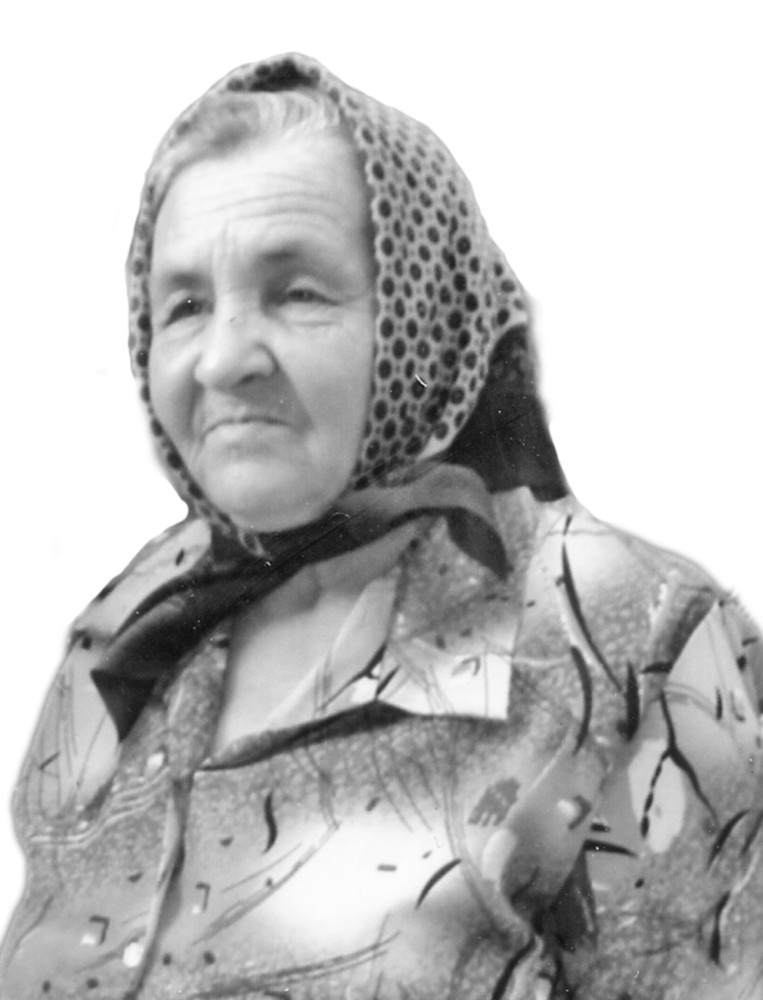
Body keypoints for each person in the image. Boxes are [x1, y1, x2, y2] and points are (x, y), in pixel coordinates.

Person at [1, 52, 761, 1000]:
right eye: (185, 305)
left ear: (422, 312)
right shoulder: (131, 631)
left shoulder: (642, 642)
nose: (223, 359)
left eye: (297, 292)